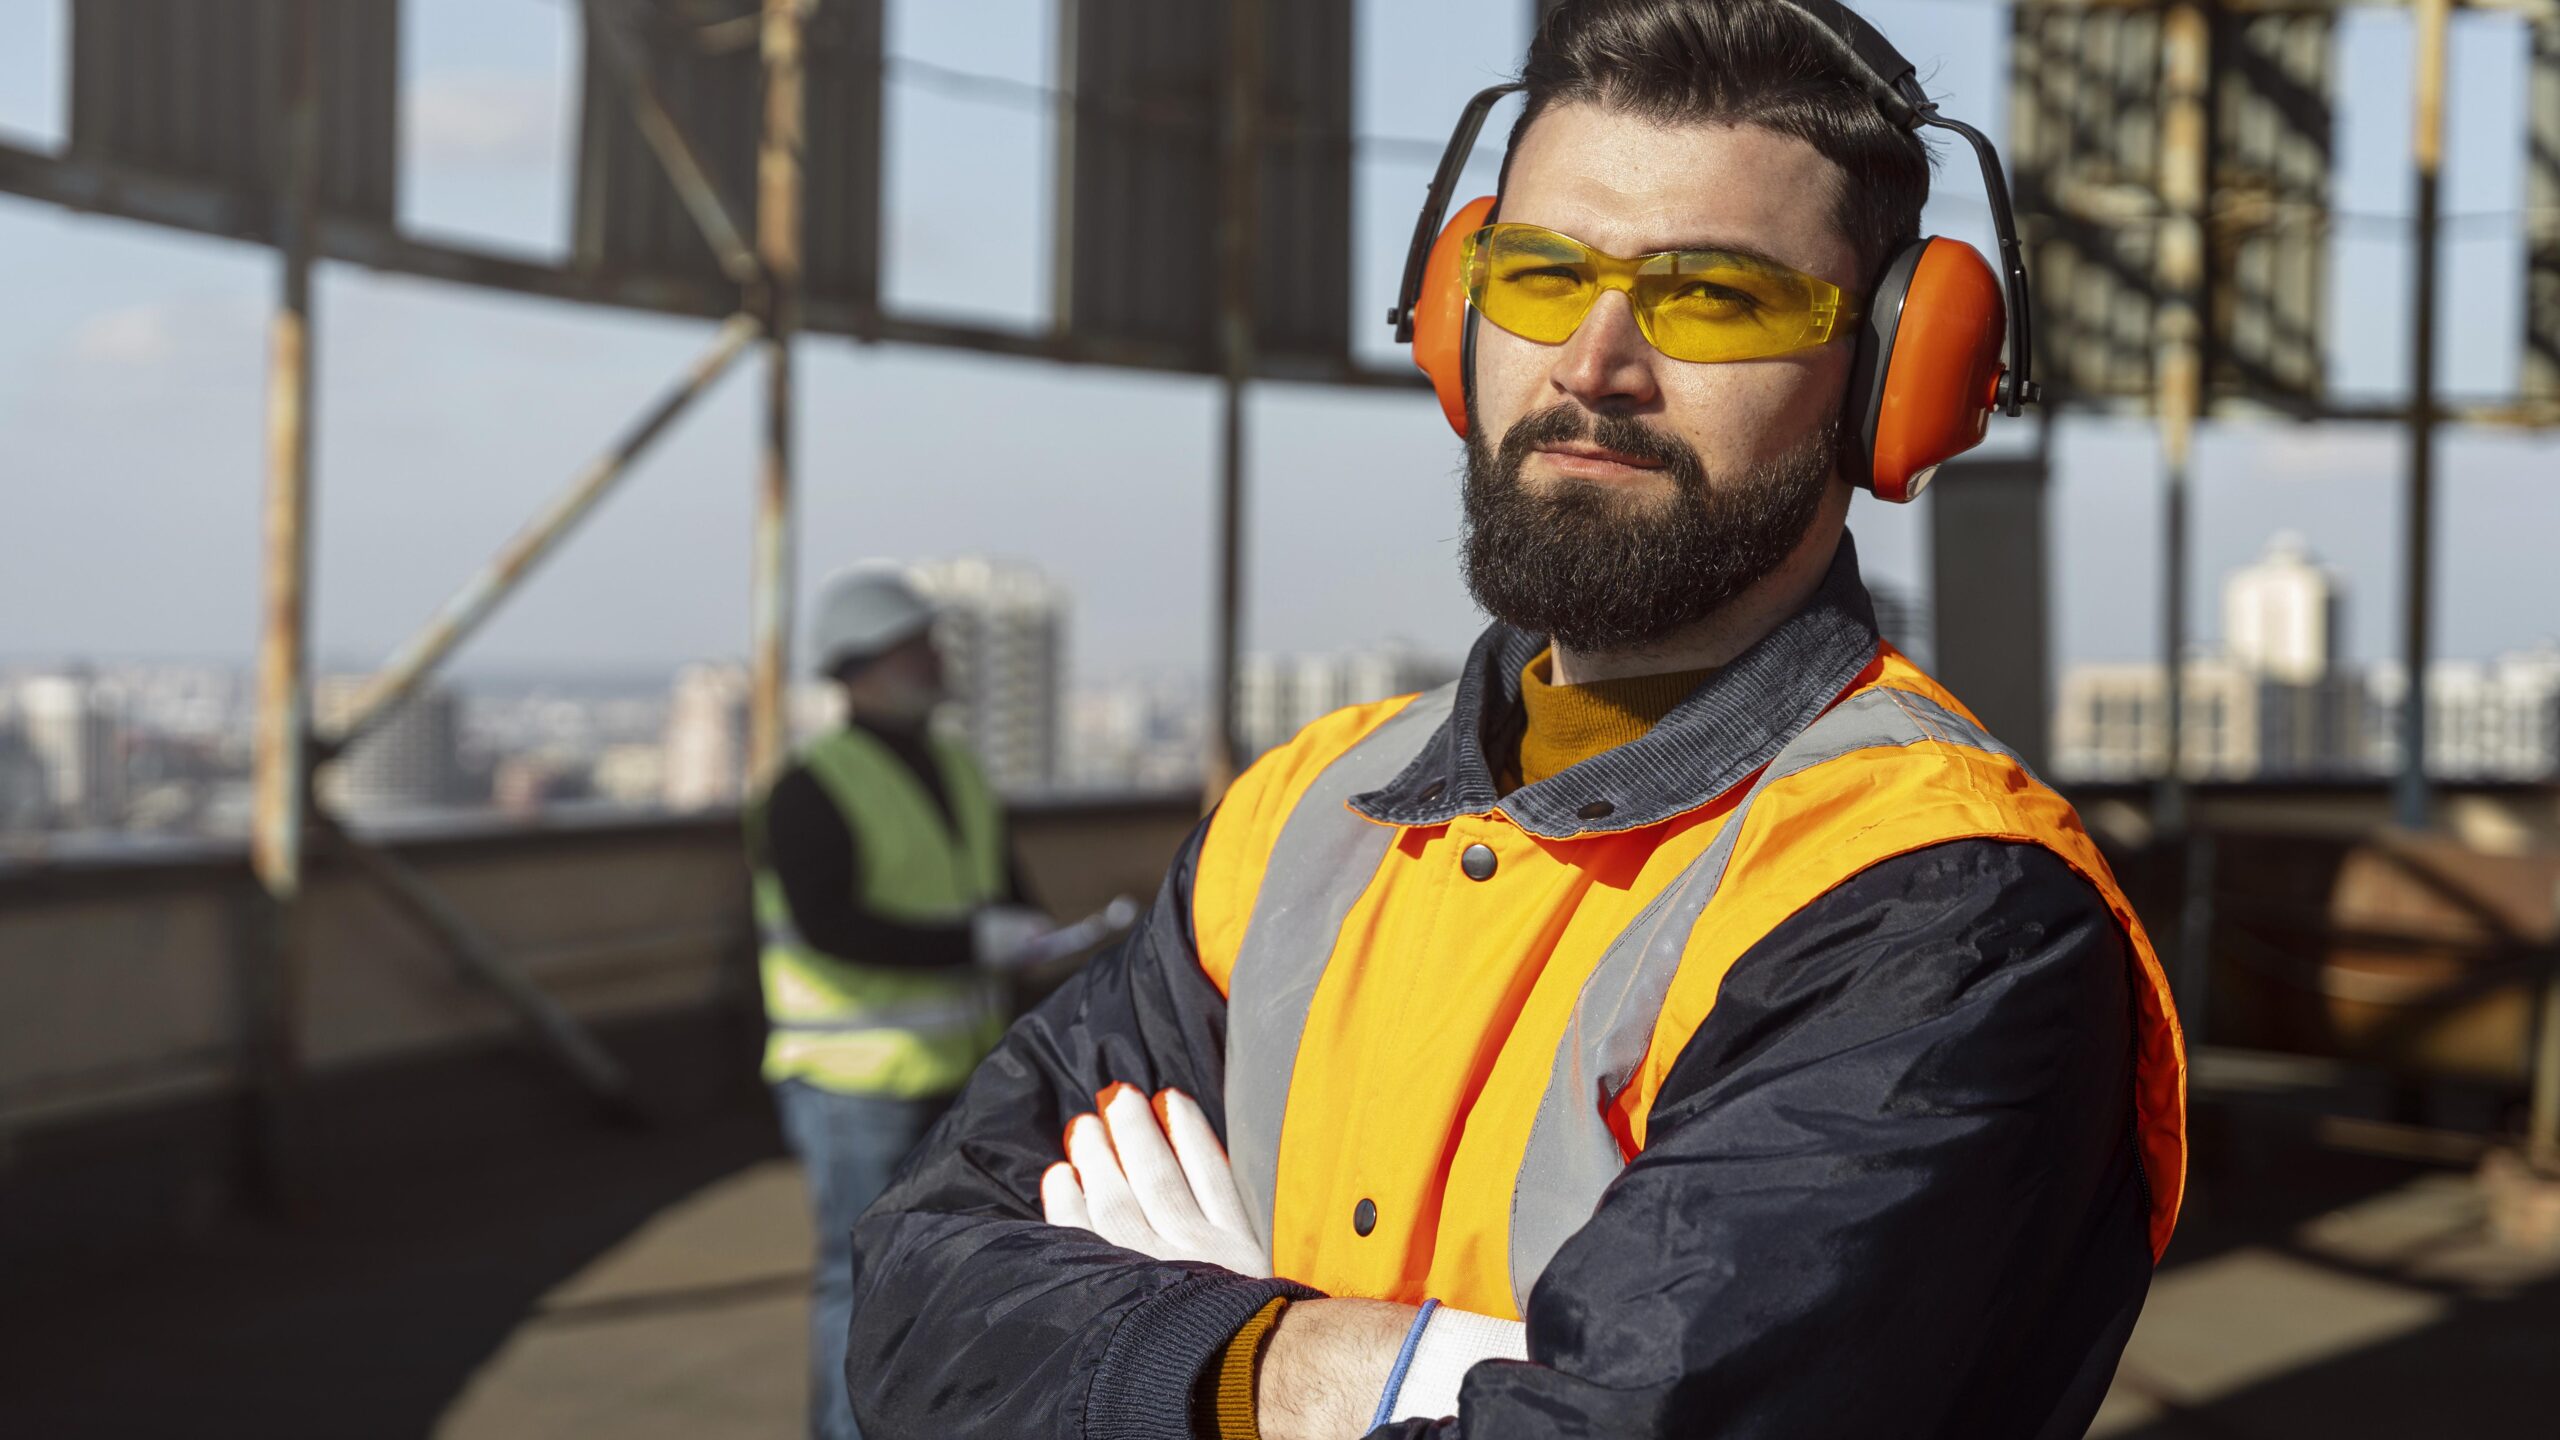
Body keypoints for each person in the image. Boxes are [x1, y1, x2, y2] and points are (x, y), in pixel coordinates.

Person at [843, 3, 2187, 1437]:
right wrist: (1321, 1374)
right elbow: (918, 1300)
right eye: (1540, 275)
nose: (1592, 362)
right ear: (1452, 316)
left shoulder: (1940, 910)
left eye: (1716, 297)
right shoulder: (1297, 818)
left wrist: (1182, 1356)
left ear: (1890, 384)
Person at [747, 562, 1047, 1440]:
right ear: (860, 666)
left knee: (944, 1271)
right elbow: (829, 929)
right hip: (852, 1084)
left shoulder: (954, 768)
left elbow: (1000, 891)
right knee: (856, 1276)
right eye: (913, 646)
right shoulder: (809, 786)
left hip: (956, 1066)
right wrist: (978, 941)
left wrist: (1027, 938)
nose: (933, 658)